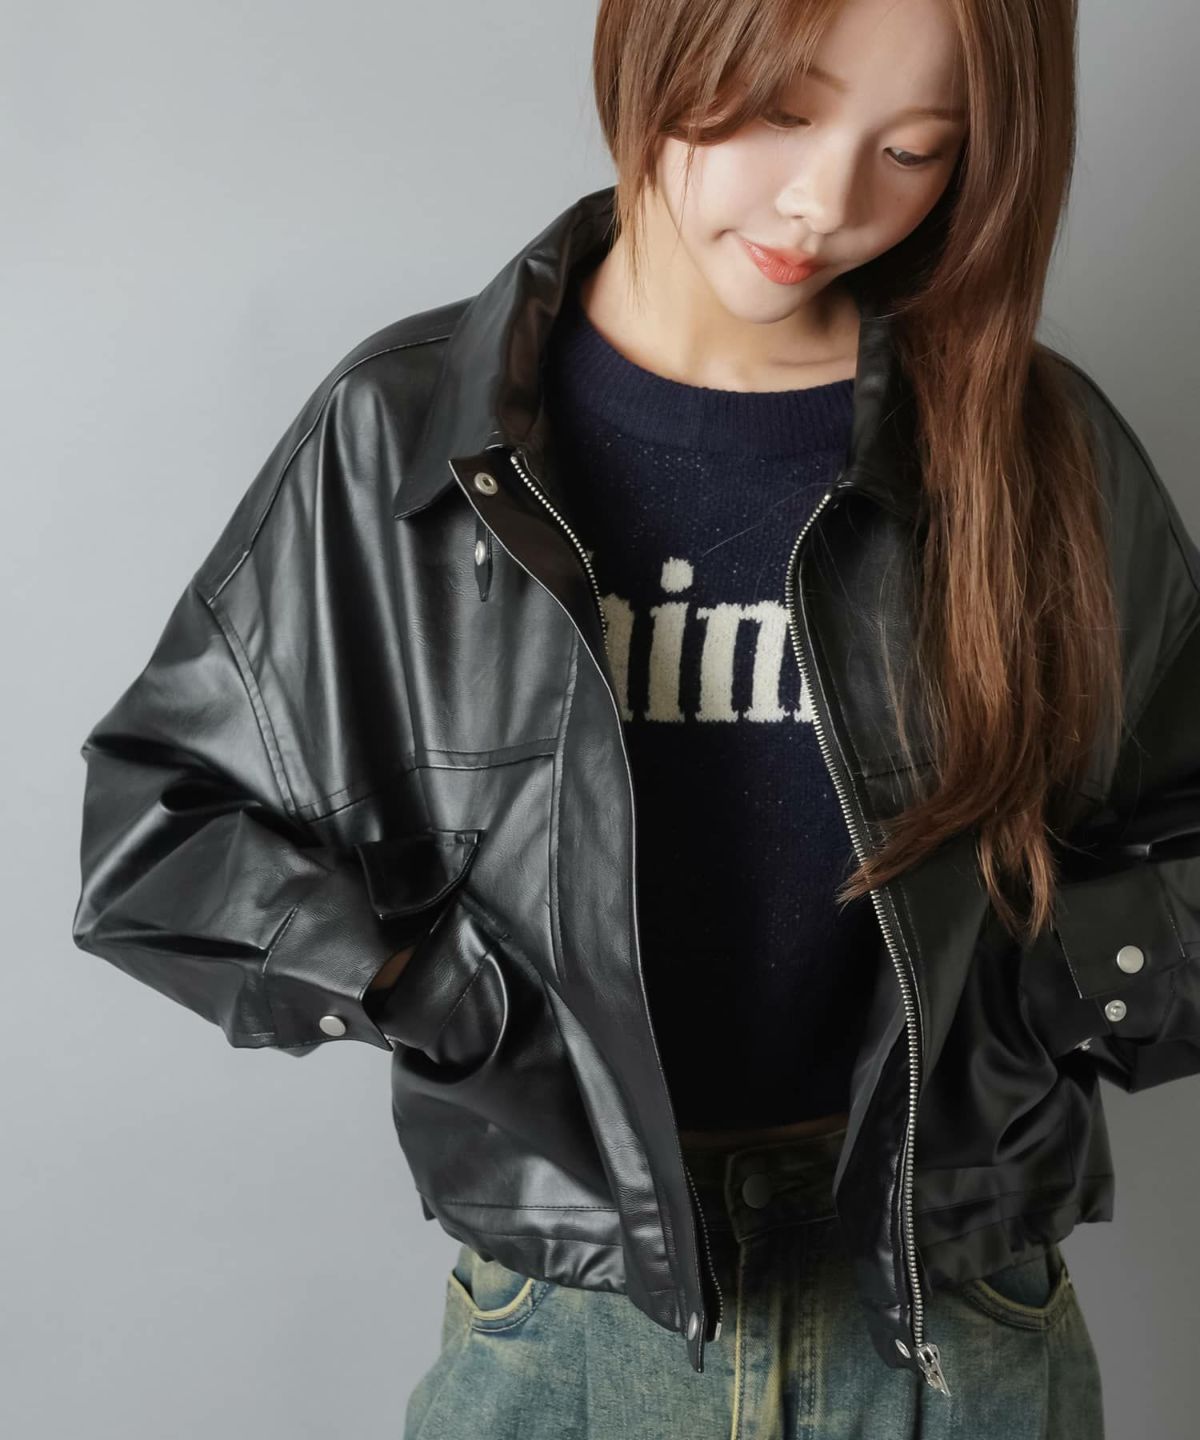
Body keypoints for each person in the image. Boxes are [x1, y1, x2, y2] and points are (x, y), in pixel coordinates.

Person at [70, 0, 1200, 1435]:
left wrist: (1040, 999)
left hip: (952, 1321)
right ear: (659, 40)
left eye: (915, 150)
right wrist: (438, 994)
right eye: (782, 109)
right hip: (566, 1326)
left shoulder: (1032, 447)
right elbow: (156, 834)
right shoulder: (404, 434)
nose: (826, 199)